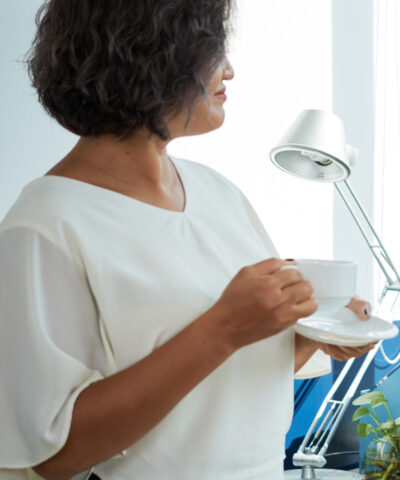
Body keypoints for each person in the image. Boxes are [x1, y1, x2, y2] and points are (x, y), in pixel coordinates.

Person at [0, 1, 375, 478]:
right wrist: (222, 328)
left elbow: (224, 385)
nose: (230, 70)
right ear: (151, 56)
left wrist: (313, 334)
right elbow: (49, 454)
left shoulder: (219, 194)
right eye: (212, 50)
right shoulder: (44, 227)